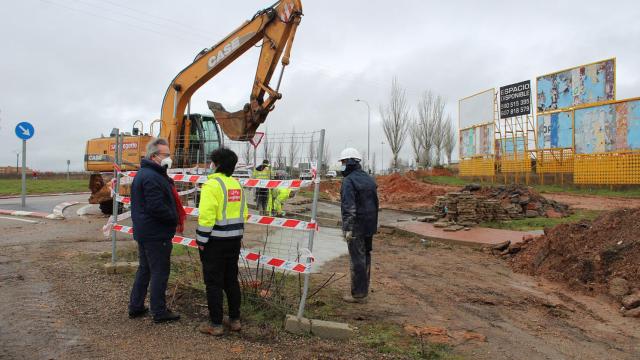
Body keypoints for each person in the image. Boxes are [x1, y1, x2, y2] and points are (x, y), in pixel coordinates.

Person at [129, 138, 184, 323]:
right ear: (154, 156)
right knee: (160, 271)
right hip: (155, 233)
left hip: (145, 231)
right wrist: (174, 217)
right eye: (166, 155)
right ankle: (159, 311)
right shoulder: (152, 177)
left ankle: (136, 306)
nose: (169, 158)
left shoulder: (146, 173)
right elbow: (156, 207)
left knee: (145, 269)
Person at [196, 147, 248, 336]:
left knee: (213, 283)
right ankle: (235, 320)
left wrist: (201, 240)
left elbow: (207, 217)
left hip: (214, 242)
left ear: (216, 164)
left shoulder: (211, 185)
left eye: (212, 162)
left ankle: (216, 324)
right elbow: (245, 213)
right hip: (234, 240)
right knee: (231, 280)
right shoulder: (237, 184)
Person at [339, 147, 379, 303]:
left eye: (343, 162)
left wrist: (347, 228)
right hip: (369, 226)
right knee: (366, 257)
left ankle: (358, 294)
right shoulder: (369, 179)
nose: (341, 165)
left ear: (349, 162)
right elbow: (375, 203)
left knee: (357, 260)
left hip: (356, 227)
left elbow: (349, 207)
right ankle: (363, 289)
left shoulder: (348, 181)